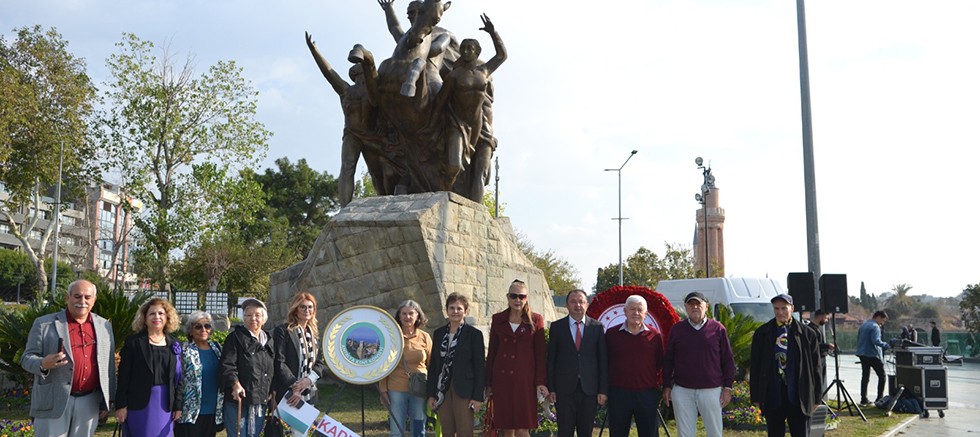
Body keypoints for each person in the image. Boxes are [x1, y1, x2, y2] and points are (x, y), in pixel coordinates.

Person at [305, 32, 402, 204]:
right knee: (348, 167)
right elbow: (328, 72)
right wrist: (314, 51)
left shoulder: (375, 90)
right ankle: (344, 207)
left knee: (379, 173)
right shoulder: (346, 91)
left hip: (374, 135)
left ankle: (386, 200)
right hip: (352, 134)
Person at [21, 279, 116, 437]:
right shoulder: (44, 324)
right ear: (67, 298)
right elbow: (26, 358)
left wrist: (109, 400)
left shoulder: (104, 325)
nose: (82, 301)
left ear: (94, 299)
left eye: (87, 297)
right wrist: (43, 363)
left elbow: (109, 367)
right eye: (77, 296)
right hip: (53, 399)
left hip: (90, 401)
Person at [436, 14, 506, 202]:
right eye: (463, 48)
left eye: (470, 48)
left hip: (479, 127)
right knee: (454, 166)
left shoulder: (484, 72)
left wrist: (493, 33)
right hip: (458, 123)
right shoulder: (454, 76)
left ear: (476, 52)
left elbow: (501, 56)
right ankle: (444, 196)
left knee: (479, 175)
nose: (466, 51)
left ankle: (475, 211)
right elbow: (440, 102)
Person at [663, 292, 735, 437]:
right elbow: (669, 359)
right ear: (686, 307)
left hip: (711, 391)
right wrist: (667, 386)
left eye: (698, 304)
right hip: (682, 390)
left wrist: (727, 388)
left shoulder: (718, 329)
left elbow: (727, 360)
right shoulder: (677, 329)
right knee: (685, 434)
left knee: (714, 433)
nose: (695, 307)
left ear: (706, 307)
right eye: (691, 304)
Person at [749, 294, 822, 437]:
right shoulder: (762, 333)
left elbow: (816, 368)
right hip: (773, 395)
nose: (780, 312)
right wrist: (756, 397)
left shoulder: (807, 334)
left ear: (792, 308)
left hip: (799, 396)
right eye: (776, 308)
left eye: (784, 308)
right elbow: (756, 366)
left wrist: (817, 397)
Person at [486, 279, 548, 437]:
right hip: (502, 379)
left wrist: (540, 382)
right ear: (507, 297)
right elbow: (492, 351)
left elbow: (540, 354)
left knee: (522, 427)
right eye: (513, 296)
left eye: (521, 296)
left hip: (525, 380)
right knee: (507, 427)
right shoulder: (498, 319)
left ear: (526, 298)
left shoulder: (536, 320)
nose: (517, 300)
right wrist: (488, 383)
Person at [115, 297, 184, 436]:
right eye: (152, 313)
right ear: (145, 318)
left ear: (167, 317)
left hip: (165, 405)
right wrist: (121, 405)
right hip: (138, 405)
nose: (156, 317)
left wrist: (178, 405)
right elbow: (123, 377)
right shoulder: (133, 343)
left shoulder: (174, 344)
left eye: (161, 313)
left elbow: (179, 379)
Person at [546, 289, 607, 437]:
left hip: (589, 390)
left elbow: (602, 361)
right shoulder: (557, 327)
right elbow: (551, 360)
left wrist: (602, 390)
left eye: (581, 301)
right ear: (567, 305)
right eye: (573, 301)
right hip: (564, 390)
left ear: (587, 304)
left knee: (585, 432)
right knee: (565, 431)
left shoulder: (597, 327)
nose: (577, 305)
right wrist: (551, 388)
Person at [605, 295, 665, 437]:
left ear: (645, 313)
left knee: (649, 433)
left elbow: (659, 363)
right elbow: (605, 361)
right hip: (618, 393)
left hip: (646, 394)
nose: (636, 313)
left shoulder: (654, 335)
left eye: (639, 310)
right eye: (632, 309)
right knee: (618, 433)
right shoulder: (611, 334)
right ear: (625, 311)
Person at [427, 293, 485, 437]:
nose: (455, 312)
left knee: (464, 431)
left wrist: (478, 396)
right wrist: (431, 394)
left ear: (465, 311)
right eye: (451, 308)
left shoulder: (474, 334)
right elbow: (433, 365)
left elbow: (480, 367)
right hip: (442, 390)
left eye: (459, 308)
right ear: (446, 310)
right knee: (447, 431)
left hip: (464, 389)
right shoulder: (439, 333)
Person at [273, 293, 329, 437]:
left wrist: (308, 381)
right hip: (289, 392)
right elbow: (279, 361)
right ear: (295, 309)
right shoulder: (283, 331)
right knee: (293, 432)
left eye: (310, 307)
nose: (307, 310)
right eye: (302, 307)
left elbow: (319, 363)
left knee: (301, 432)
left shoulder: (314, 333)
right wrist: (295, 386)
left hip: (308, 391)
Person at [222, 298, 276, 437]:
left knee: (254, 434)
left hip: (260, 399)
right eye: (248, 315)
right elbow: (227, 365)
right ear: (243, 318)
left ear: (264, 318)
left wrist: (273, 393)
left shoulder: (268, 340)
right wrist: (235, 384)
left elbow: (272, 368)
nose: (253, 318)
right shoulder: (235, 338)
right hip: (239, 399)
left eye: (257, 315)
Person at [380, 300, 432, 437]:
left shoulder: (425, 337)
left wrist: (432, 391)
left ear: (417, 316)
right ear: (399, 316)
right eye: (404, 313)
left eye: (411, 313)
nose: (407, 317)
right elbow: (383, 366)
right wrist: (383, 391)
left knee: (419, 428)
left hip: (419, 389)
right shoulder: (391, 338)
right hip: (396, 388)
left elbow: (431, 365)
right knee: (396, 430)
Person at [175, 311, 224, 437]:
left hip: (213, 410)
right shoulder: (184, 350)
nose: (203, 329)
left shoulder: (217, 348)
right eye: (198, 326)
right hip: (190, 411)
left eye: (207, 326)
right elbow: (177, 379)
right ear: (190, 330)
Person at [855, 310, 890, 406]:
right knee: (882, 376)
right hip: (873, 354)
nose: (882, 323)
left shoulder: (863, 325)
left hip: (862, 353)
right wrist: (886, 345)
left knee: (865, 377)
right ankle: (879, 398)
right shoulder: (875, 327)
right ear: (878, 317)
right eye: (882, 320)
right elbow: (876, 341)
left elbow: (858, 339)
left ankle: (863, 399)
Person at [806, 309, 836, 395]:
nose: (826, 320)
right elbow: (813, 345)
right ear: (821, 316)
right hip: (816, 359)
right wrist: (827, 346)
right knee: (817, 381)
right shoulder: (810, 329)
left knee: (821, 381)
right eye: (826, 318)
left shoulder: (817, 329)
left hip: (822, 358)